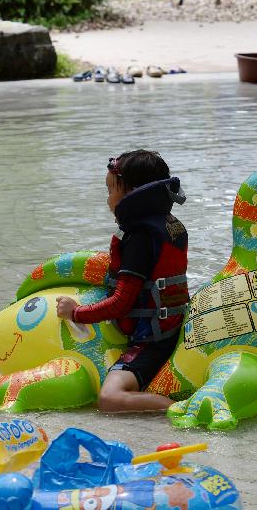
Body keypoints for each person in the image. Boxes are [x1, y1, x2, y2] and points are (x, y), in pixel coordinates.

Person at [55, 150, 189, 413]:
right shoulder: (169, 224)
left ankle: (182, 409)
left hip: (152, 343)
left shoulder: (138, 237)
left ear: (131, 194)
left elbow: (121, 303)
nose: (107, 201)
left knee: (109, 399)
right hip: (173, 328)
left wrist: (76, 313)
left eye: (110, 191)